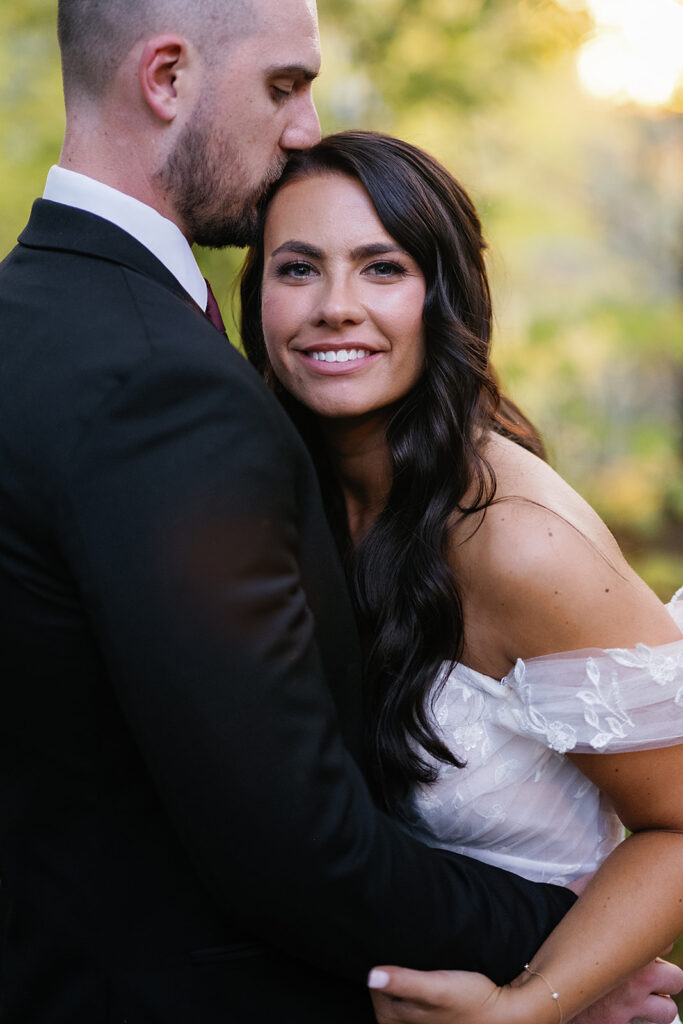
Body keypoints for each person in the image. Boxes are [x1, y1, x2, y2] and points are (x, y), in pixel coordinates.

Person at [2, 2, 624, 1022]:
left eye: (383, 266)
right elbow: (292, 845)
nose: (303, 125)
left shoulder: (26, 324)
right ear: (165, 79)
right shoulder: (168, 383)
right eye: (284, 85)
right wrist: (561, 958)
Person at [239, 130, 683, 1024]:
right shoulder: (283, 495)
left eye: (380, 268)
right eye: (297, 270)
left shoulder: (513, 545)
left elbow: (678, 828)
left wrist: (529, 1007)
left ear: (445, 297)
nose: (334, 306)